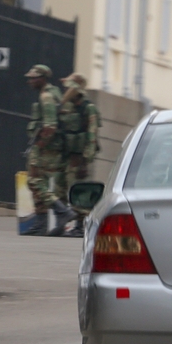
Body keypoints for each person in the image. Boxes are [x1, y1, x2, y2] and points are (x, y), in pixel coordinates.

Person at [24, 64, 74, 236]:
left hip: (46, 148)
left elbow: (50, 126)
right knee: (43, 183)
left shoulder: (46, 96)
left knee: (34, 181)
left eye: (34, 77)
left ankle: (61, 211)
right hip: (53, 147)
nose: (30, 80)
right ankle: (41, 223)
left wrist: (40, 145)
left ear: (43, 78)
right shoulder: (53, 93)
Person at [57, 73, 100, 236]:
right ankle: (62, 222)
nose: (67, 90)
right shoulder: (68, 107)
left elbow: (92, 136)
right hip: (66, 156)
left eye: (70, 87)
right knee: (61, 189)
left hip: (79, 157)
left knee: (78, 192)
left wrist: (85, 161)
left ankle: (81, 226)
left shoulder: (88, 108)